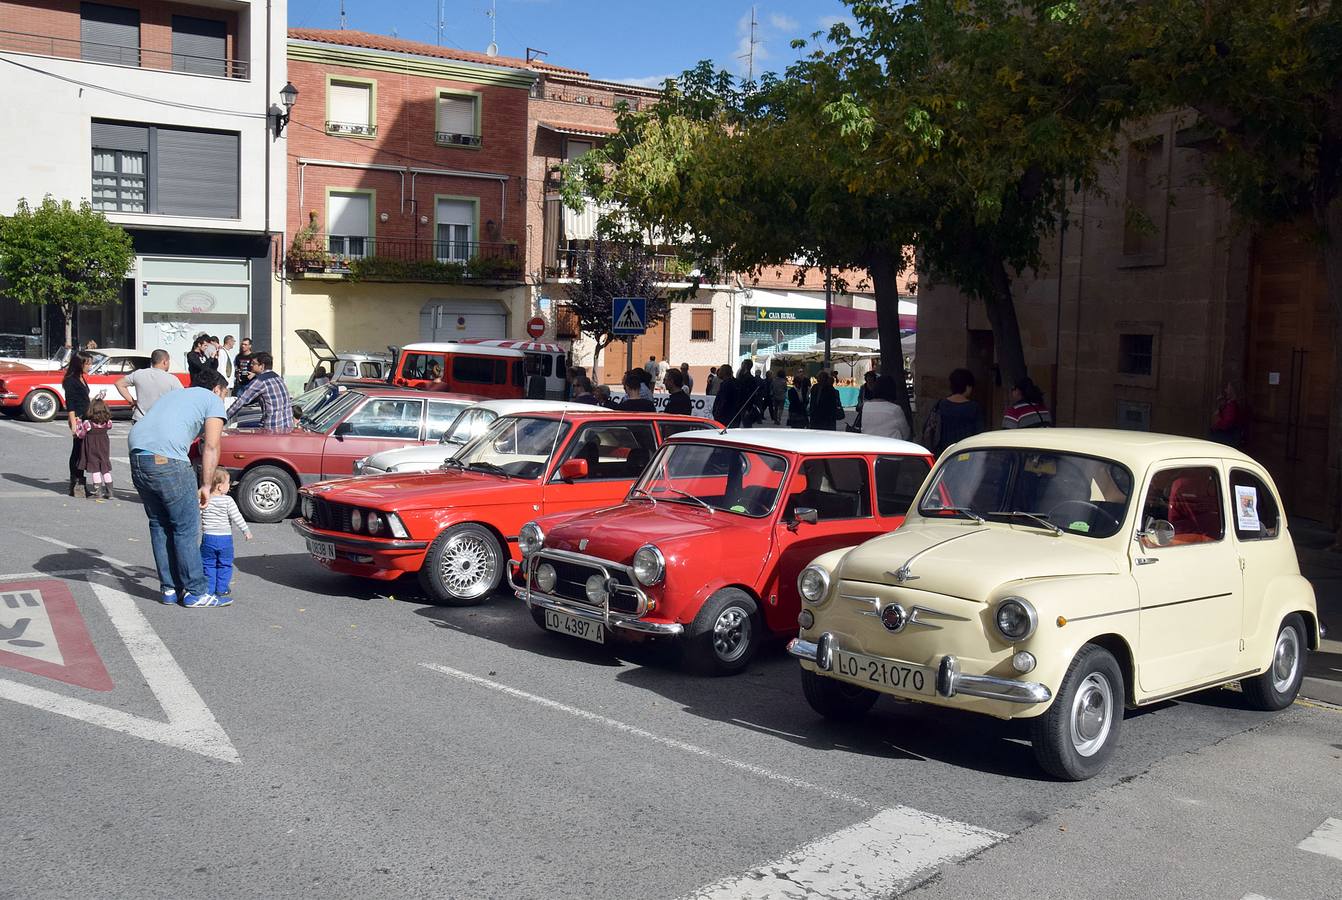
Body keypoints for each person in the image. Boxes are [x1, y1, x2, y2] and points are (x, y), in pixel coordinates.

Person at [129, 369, 231, 608]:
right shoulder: (212, 400)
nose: (223, 400)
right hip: (168, 460)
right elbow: (212, 446)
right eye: (224, 394)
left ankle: (170, 589)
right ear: (217, 389)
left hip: (137, 456)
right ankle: (196, 591)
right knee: (185, 526)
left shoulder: (175, 396)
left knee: (159, 523)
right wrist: (206, 485)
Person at [200, 470, 252, 599]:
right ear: (219, 486)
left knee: (208, 564)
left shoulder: (204, 499)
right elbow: (237, 517)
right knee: (225, 564)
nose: (230, 485)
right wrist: (246, 530)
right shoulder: (228, 501)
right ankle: (222, 589)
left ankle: (209, 589)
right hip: (225, 539)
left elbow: (197, 515)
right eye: (228, 482)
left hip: (208, 538)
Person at [227, 352, 294, 431]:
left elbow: (241, 401)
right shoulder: (277, 377)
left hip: (272, 428)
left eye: (253, 363)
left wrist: (223, 418)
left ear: (262, 366)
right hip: (287, 426)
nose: (250, 365)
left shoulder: (260, 381)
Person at [922, 368, 983, 455]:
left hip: (943, 454)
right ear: (968, 387)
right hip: (966, 453)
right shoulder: (974, 408)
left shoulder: (940, 405)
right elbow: (979, 434)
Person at [115, 349, 181, 422]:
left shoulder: (139, 374)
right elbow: (182, 397)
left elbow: (119, 384)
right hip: (161, 419)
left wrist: (132, 402)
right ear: (164, 362)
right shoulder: (172, 379)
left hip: (140, 418)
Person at [62, 352, 92, 496]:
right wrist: (73, 424)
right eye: (87, 364)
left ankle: (79, 481)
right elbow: (71, 403)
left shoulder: (81, 378)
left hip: (86, 417)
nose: (90, 366)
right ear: (79, 364)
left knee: (82, 450)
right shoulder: (70, 380)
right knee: (77, 451)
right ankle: (76, 482)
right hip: (78, 418)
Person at [75, 397, 115, 500]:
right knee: (105, 468)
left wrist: (78, 423)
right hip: (104, 447)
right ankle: (110, 492)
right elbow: (109, 427)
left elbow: (80, 435)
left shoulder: (88, 424)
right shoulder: (108, 423)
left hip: (91, 447)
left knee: (95, 469)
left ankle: (98, 492)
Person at [860, 374, 912, 440]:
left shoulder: (866, 407)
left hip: (870, 445)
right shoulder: (895, 409)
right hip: (891, 446)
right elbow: (905, 433)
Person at [1209, 380, 1247, 447]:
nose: (1226, 391)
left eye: (1228, 388)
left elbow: (1225, 424)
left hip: (1227, 438)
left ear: (1233, 390)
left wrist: (1216, 419)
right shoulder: (1229, 404)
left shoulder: (1232, 406)